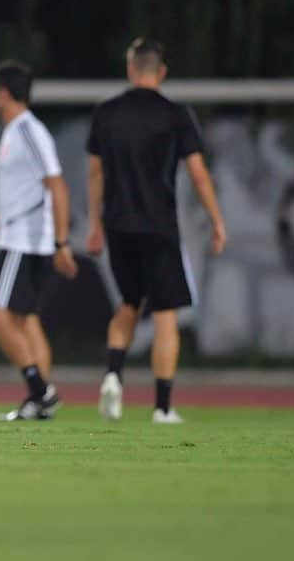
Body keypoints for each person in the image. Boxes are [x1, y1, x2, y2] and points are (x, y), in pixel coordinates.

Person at [87, 37, 226, 423]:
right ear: (161, 72)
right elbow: (198, 174)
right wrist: (216, 220)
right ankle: (163, 407)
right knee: (165, 315)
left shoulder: (106, 114)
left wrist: (95, 224)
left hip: (117, 226)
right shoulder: (176, 115)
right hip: (159, 227)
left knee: (129, 304)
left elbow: (95, 172)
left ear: (131, 69)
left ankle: (114, 374)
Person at [0, 61, 78, 421]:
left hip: (26, 242)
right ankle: (39, 402)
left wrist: (61, 242)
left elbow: (57, 186)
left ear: (4, 93)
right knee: (25, 320)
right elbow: (17, 198)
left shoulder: (28, 130)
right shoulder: (15, 132)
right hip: (20, 237)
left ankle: (40, 391)